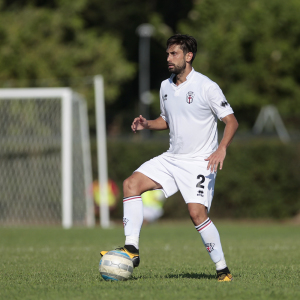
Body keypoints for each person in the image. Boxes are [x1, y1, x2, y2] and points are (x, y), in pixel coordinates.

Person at [101, 34, 239, 282]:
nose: (168, 58)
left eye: (174, 53)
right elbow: (167, 120)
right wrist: (147, 124)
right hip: (172, 158)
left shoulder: (207, 86)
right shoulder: (166, 86)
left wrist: (222, 148)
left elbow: (231, 121)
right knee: (130, 184)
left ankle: (222, 269)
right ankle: (131, 249)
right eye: (167, 53)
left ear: (188, 56)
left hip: (200, 161)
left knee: (197, 213)